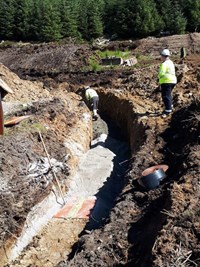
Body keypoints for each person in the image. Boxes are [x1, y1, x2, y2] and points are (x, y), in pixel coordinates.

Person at [158, 49, 177, 118]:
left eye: (161, 56)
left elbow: (161, 73)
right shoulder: (171, 63)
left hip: (166, 81)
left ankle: (168, 110)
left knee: (165, 96)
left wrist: (158, 77)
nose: (161, 57)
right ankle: (170, 105)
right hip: (173, 81)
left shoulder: (164, 64)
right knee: (168, 95)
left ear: (163, 56)